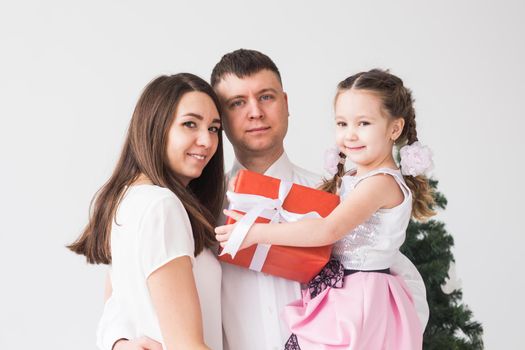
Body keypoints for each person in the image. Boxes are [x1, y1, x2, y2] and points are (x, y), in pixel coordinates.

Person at [98, 50, 429, 350]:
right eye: (237, 103)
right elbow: (126, 285)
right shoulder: (197, 207)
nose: (255, 112)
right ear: (221, 118)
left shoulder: (334, 195)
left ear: (285, 103)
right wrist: (118, 342)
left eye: (266, 97)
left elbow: (390, 274)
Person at [216, 69, 434, 349]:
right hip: (342, 291)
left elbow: (327, 229)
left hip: (361, 298)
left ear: (395, 128)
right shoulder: (357, 178)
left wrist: (254, 232)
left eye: (364, 123)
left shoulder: (380, 183)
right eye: (342, 124)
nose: (350, 134)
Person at [68, 73, 225, 350]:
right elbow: (186, 346)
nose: (206, 141)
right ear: (155, 127)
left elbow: (117, 307)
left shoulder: (126, 201)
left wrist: (117, 343)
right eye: (190, 124)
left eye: (213, 128)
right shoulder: (162, 206)